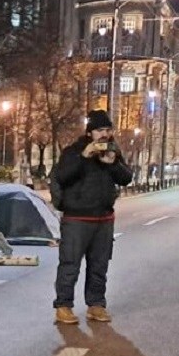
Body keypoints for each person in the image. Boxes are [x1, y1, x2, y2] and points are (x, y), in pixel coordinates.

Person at [52, 110, 133, 326]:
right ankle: (63, 306)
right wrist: (83, 157)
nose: (104, 134)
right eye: (99, 130)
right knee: (70, 264)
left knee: (99, 265)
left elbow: (126, 178)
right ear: (90, 133)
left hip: (104, 218)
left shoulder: (113, 152)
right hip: (77, 218)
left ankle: (96, 304)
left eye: (107, 130)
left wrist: (113, 163)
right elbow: (62, 176)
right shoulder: (73, 152)